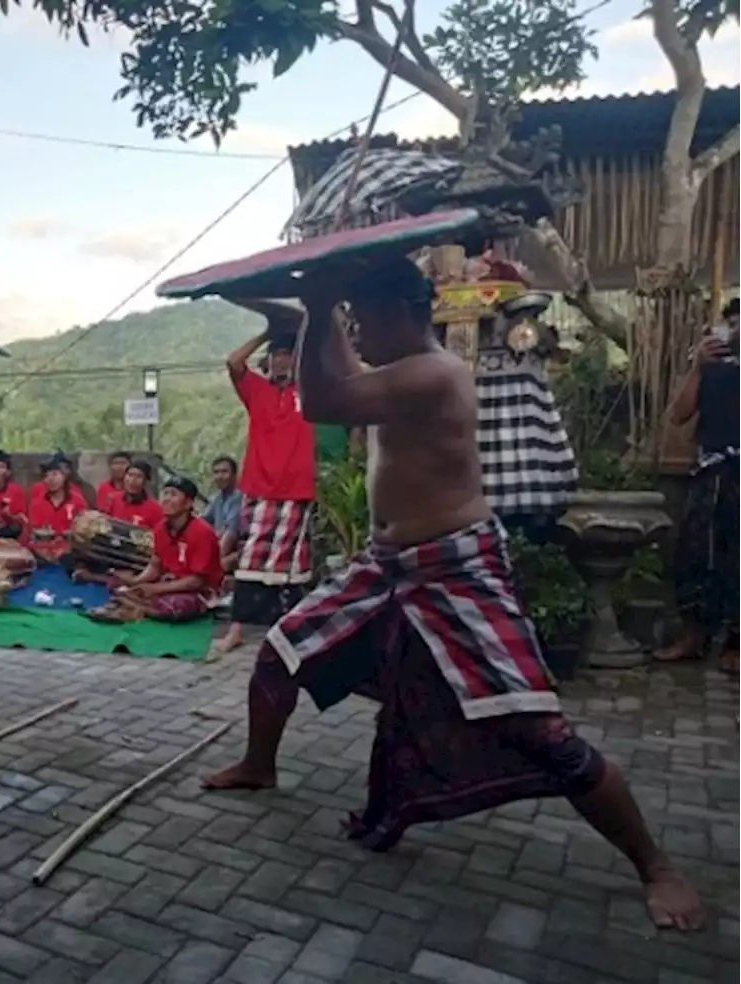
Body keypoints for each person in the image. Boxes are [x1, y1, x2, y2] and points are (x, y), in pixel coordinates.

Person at [202, 258, 703, 931]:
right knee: (282, 651)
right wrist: (288, 311)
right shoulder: (398, 364)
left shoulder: (434, 372)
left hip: (458, 567)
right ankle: (259, 765)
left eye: (360, 314)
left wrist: (317, 308)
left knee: (540, 732)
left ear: (402, 311)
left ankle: (654, 864)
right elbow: (341, 365)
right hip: (386, 565)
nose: (354, 328)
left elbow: (325, 399)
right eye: (347, 317)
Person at [218, 301, 317, 652]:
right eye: (276, 355)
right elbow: (233, 362)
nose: (280, 360)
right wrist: (266, 333)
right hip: (259, 487)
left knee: (290, 565)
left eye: (287, 355)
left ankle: (287, 631)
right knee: (250, 560)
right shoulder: (257, 391)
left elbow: (325, 364)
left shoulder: (308, 391)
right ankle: (236, 630)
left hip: (297, 489)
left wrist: (304, 332)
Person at [657, 297, 741, 675]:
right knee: (694, 553)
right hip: (711, 470)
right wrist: (698, 367)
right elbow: (678, 415)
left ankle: (736, 643)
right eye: (733, 323)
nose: (736, 330)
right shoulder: (713, 366)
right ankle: (694, 636)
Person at [107, 475, 224, 621]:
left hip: (198, 590)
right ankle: (136, 604)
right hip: (169, 583)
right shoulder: (160, 528)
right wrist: (137, 581)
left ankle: (135, 606)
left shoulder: (202, 531)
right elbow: (155, 565)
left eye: (173, 494)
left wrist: (155, 589)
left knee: (174, 606)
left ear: (188, 503)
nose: (166, 499)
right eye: (165, 493)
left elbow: (196, 581)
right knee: (116, 584)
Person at [27, 456, 84, 563]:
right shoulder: (37, 503)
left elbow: (83, 534)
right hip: (43, 554)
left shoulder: (78, 501)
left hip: (70, 553)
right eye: (46, 476)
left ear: (64, 476)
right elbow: (33, 534)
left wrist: (66, 549)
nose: (51, 479)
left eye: (54, 474)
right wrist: (44, 553)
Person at [203, 455, 243, 569]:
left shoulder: (238, 497)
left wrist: (213, 560)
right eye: (216, 472)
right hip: (220, 545)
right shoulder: (217, 498)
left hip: (239, 549)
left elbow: (231, 534)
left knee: (217, 566)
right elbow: (202, 522)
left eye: (224, 472)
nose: (220, 476)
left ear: (234, 475)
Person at [103, 460, 164, 528]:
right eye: (130, 475)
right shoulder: (113, 499)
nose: (132, 480)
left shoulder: (155, 509)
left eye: (139, 476)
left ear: (146, 481)